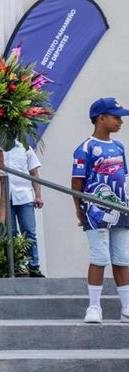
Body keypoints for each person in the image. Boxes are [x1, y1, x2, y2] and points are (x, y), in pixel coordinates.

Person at [72, 97, 129, 324]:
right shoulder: (85, 148)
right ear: (101, 118)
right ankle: (94, 307)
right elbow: (77, 183)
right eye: (116, 117)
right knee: (99, 256)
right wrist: (80, 211)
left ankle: (126, 308)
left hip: (121, 209)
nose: (120, 122)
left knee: (122, 257)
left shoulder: (119, 147)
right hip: (95, 211)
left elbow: (124, 178)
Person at [0, 140, 45, 277]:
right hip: (2, 197)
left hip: (24, 196)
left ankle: (33, 266)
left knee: (29, 231)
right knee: (10, 233)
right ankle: (15, 266)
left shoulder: (25, 147)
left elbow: (34, 173)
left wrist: (38, 195)